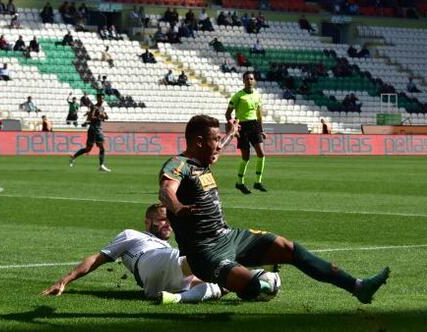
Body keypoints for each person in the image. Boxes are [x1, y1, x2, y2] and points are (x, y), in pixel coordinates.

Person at [158, 114, 390, 304]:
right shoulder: (178, 164)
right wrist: (177, 207)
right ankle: (247, 277)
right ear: (198, 142)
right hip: (205, 252)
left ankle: (358, 287)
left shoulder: (204, 159)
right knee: (252, 286)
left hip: (229, 236)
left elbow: (218, 150)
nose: (218, 145)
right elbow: (166, 189)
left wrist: (230, 133)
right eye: (214, 139)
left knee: (289, 248)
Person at [41, 203, 224, 304]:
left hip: (158, 285)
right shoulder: (132, 234)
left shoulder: (169, 246)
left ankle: (176, 299)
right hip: (151, 260)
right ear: (147, 222)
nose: (168, 224)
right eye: (161, 220)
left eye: (170, 220)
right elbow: (98, 258)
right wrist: (64, 281)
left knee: (221, 283)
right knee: (212, 257)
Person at [226, 72, 267, 194]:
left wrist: (261, 130)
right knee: (246, 157)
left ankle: (258, 182)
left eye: (252, 78)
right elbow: (228, 114)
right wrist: (234, 127)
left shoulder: (257, 96)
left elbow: (259, 115)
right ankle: (240, 182)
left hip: (255, 125)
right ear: (243, 81)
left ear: (254, 81)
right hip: (242, 127)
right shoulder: (238, 96)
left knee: (261, 153)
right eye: (247, 78)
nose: (250, 80)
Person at [69, 93, 111, 172]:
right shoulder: (94, 107)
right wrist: (99, 116)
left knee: (101, 148)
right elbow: (91, 117)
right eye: (100, 98)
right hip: (93, 129)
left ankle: (101, 165)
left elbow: (102, 118)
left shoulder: (102, 108)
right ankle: (73, 157)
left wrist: (105, 117)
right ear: (97, 98)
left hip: (98, 129)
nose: (102, 100)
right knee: (89, 149)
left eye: (103, 98)